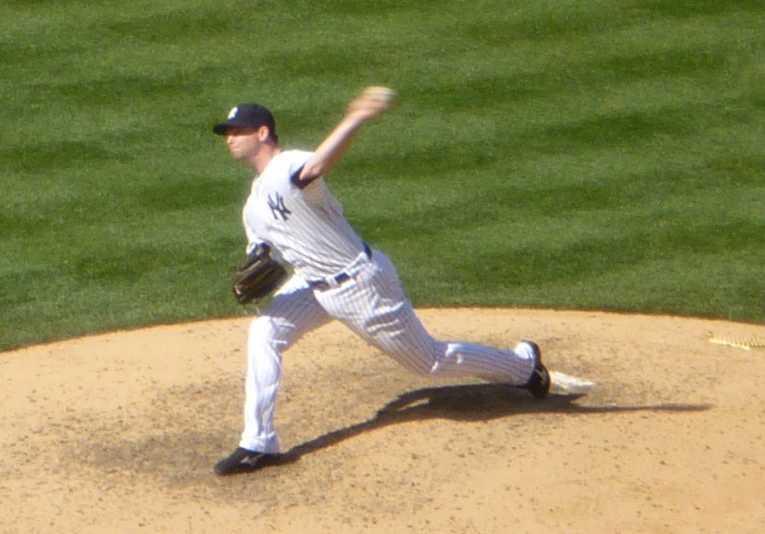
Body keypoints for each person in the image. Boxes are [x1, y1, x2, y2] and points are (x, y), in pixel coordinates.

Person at [211, 87, 550, 476]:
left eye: (239, 130)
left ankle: (524, 367)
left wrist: (355, 118)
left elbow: (316, 168)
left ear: (264, 133)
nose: (231, 138)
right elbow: (262, 255)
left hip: (361, 286)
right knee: (265, 332)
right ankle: (258, 443)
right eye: (228, 133)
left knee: (430, 362)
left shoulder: (289, 165)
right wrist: (255, 270)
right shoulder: (252, 207)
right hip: (314, 287)